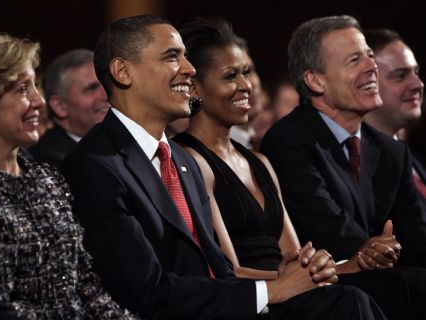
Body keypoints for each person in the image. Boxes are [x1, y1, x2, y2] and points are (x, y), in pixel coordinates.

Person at [62, 14, 386, 320]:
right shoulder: (95, 166)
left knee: (356, 297)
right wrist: (271, 290)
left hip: (221, 306)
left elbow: (220, 271)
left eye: (187, 57)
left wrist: (306, 273)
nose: (189, 69)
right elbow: (147, 291)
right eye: (172, 57)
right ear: (123, 72)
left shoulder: (180, 160)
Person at [260, 15, 426, 319]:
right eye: (354, 60)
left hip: (389, 281)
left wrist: (391, 249)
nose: (371, 66)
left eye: (370, 55)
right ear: (315, 81)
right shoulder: (287, 142)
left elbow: (417, 236)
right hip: (330, 288)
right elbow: (326, 231)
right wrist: (373, 250)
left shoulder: (391, 151)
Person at [0, 29, 137, 319]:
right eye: (22, 89)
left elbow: (86, 285)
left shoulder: (47, 178)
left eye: (35, 86)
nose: (39, 101)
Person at [363, 29, 426, 197]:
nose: (418, 84)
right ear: (365, 84)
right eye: (400, 76)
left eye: (416, 72)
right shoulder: (358, 169)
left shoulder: (413, 160)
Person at [29, 49, 109, 169]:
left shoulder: (124, 143)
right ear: (60, 106)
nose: (107, 94)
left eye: (106, 83)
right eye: (92, 88)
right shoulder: (50, 163)